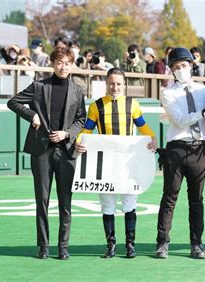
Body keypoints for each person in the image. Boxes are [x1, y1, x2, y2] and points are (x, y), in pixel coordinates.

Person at [7, 47, 86, 260]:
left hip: (66, 151)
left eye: (67, 63)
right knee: (42, 200)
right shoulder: (39, 86)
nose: (63, 67)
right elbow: (12, 102)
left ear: (72, 65)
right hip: (41, 150)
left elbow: (81, 120)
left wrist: (66, 134)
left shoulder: (78, 90)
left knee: (66, 200)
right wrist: (32, 114)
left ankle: (63, 247)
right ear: (52, 63)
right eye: (59, 62)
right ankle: (43, 246)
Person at [75, 67, 157, 259]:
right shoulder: (96, 106)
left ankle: (130, 245)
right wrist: (78, 141)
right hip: (106, 164)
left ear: (124, 85)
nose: (115, 87)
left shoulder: (132, 104)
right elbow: (87, 129)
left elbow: (143, 126)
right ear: (106, 83)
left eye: (119, 83)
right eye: (112, 83)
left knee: (129, 203)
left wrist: (152, 137)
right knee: (108, 205)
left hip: (128, 163)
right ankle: (110, 245)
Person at [155, 47, 205, 259]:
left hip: (199, 148)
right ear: (171, 70)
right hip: (177, 149)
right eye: (176, 67)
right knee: (170, 197)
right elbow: (179, 120)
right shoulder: (168, 93)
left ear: (191, 66)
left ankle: (196, 244)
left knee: (196, 199)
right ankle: (162, 242)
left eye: (184, 65)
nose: (181, 69)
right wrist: (204, 112)